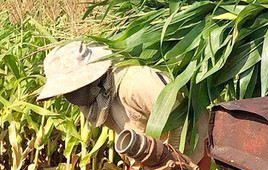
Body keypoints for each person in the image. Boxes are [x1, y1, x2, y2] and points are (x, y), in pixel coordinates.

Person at [38, 40, 207, 163]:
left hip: (191, 150)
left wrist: (175, 162)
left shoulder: (133, 82)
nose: (70, 96)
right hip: (151, 156)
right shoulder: (97, 99)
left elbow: (180, 117)